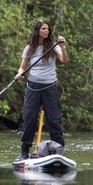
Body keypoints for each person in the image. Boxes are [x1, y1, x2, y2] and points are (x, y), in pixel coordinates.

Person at [14, 20, 68, 160]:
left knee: (54, 120)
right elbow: (22, 67)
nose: (46, 31)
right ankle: (25, 151)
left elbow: (64, 60)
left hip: (50, 87)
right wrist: (20, 73)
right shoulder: (29, 48)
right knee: (30, 119)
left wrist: (62, 47)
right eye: (44, 29)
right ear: (37, 30)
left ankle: (58, 150)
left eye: (48, 29)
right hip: (33, 87)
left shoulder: (53, 46)